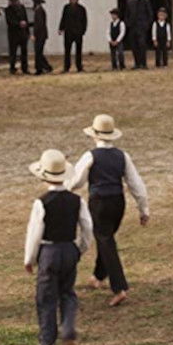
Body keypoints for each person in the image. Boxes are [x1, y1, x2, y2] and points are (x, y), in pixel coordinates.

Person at [65, 114, 149, 307]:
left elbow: (77, 181)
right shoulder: (123, 156)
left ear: (94, 136)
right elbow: (137, 185)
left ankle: (119, 287)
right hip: (118, 203)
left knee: (105, 240)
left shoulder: (90, 156)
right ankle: (98, 276)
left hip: (99, 202)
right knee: (106, 237)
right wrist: (144, 210)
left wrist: (65, 190)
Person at [24, 149, 94, 345]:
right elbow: (87, 227)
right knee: (67, 292)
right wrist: (81, 248)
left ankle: (48, 342)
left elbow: (34, 233)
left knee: (46, 297)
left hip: (49, 251)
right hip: (69, 248)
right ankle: (69, 327)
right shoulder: (77, 200)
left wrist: (29, 258)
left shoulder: (41, 202)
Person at [123, 0, 154, 70]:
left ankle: (143, 64)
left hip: (142, 27)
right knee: (134, 45)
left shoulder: (145, 1)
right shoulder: (129, 2)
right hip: (132, 27)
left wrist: (147, 25)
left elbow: (150, 14)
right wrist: (127, 23)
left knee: (142, 45)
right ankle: (137, 63)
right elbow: (127, 14)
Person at [58, 0, 88, 73]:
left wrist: (83, 30)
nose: (73, 0)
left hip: (78, 33)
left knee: (78, 51)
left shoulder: (82, 9)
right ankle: (66, 67)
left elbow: (84, 20)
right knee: (67, 50)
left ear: (77, 0)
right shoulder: (66, 8)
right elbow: (63, 19)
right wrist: (61, 28)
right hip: (68, 32)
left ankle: (79, 66)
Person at [5, 0, 30, 74]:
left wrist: (27, 32)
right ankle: (12, 68)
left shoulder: (22, 8)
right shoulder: (8, 10)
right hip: (13, 34)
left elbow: (26, 19)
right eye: (13, 0)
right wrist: (19, 24)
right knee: (13, 52)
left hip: (23, 34)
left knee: (24, 52)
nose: (15, 1)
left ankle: (25, 68)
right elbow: (9, 21)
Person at [31, 0, 53, 75]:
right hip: (42, 34)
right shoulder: (39, 10)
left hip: (40, 35)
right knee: (39, 52)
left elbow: (39, 25)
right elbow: (37, 23)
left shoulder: (39, 11)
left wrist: (34, 34)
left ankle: (40, 68)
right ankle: (45, 67)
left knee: (38, 52)